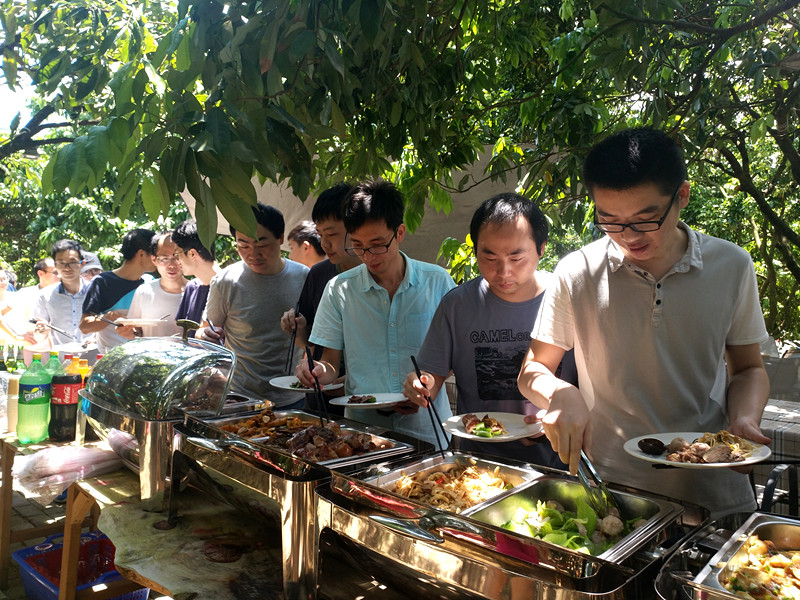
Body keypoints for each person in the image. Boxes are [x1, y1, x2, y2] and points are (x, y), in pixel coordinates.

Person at [517, 127, 770, 517]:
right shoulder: (578, 272)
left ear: (681, 196)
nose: (627, 236)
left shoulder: (731, 265)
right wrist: (559, 392)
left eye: (645, 219)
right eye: (609, 220)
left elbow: (748, 369)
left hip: (713, 485)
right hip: (614, 490)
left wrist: (745, 419)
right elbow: (533, 369)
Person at [404, 193, 576, 467]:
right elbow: (432, 375)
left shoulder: (568, 300)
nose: (503, 271)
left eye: (516, 258)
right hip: (478, 464)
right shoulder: (457, 305)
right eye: (490, 257)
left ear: (541, 248)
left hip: (559, 462)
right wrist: (420, 383)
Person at [296, 179, 456, 448]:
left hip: (428, 429)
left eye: (378, 244)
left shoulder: (437, 282)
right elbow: (331, 363)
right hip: (363, 435)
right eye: (358, 245)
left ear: (400, 233)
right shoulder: (339, 289)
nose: (368, 255)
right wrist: (317, 371)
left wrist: (430, 382)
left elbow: (454, 354)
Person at [196, 204, 308, 407]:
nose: (253, 254)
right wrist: (204, 334)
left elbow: (318, 337)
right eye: (243, 245)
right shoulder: (226, 281)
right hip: (240, 397)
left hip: (293, 396)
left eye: (261, 244)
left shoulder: (304, 277)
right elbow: (204, 330)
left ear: (280, 238)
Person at [280, 184, 361, 414]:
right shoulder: (319, 274)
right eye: (320, 235)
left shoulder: (379, 276)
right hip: (321, 404)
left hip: (367, 401)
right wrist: (298, 329)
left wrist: (356, 380)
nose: (324, 244)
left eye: (332, 234)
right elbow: (311, 344)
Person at [80, 228, 155, 353]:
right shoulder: (102, 282)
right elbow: (84, 326)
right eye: (154, 253)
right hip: (113, 358)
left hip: (144, 356)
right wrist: (113, 315)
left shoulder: (150, 282)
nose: (158, 258)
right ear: (141, 254)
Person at [119, 232, 188, 339]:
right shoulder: (144, 291)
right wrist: (127, 331)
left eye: (176, 257)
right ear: (154, 260)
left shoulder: (196, 291)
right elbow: (137, 330)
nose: (171, 265)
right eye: (164, 259)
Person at [30, 240, 92, 347]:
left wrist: (95, 340)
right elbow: (38, 337)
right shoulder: (45, 295)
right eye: (61, 263)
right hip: (60, 356)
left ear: (82, 263)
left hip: (94, 355)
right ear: (55, 265)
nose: (67, 267)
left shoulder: (96, 292)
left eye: (72, 262)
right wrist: (41, 331)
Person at [171, 218, 222, 333]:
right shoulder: (191, 288)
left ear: (192, 254)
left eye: (177, 254)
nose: (176, 261)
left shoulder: (228, 287)